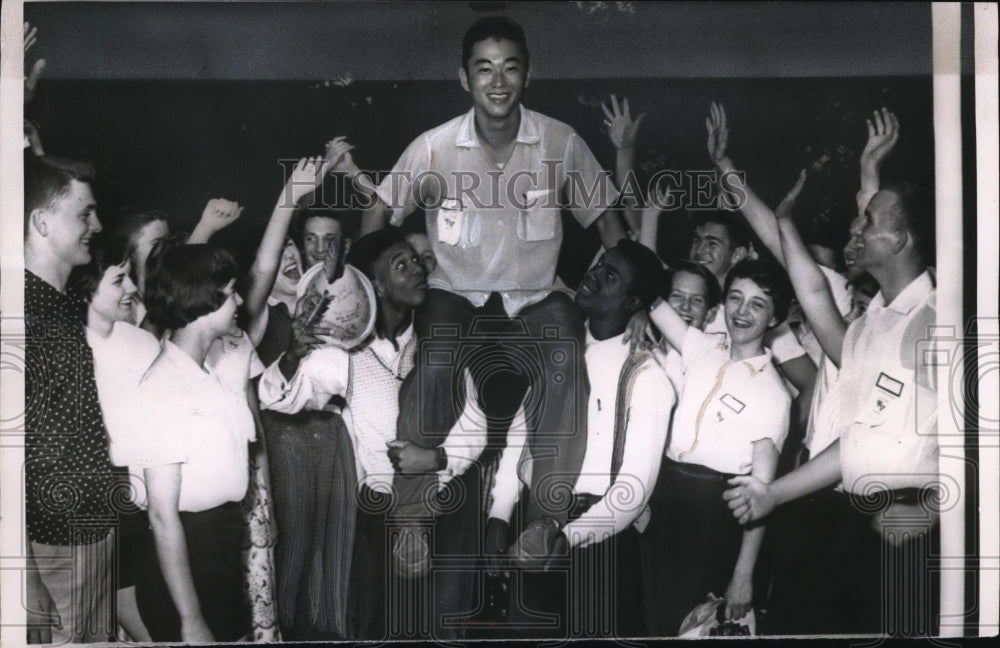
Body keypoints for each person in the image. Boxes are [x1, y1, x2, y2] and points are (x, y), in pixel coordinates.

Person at [361, 15, 627, 572]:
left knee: (564, 353)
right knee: (433, 360)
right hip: (455, 292)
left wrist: (633, 302)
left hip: (534, 296)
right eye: (484, 69)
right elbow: (378, 211)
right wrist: (370, 287)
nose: (497, 81)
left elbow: (609, 225)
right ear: (465, 78)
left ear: (528, 75)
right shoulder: (433, 149)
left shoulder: (560, 142)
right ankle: (411, 519)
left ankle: (543, 520)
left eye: (510, 68)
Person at [724, 116, 940, 637]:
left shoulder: (933, 322)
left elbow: (979, 440)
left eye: (868, 222)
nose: (856, 228)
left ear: (901, 239)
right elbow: (816, 295)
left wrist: (931, 513)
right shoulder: (873, 323)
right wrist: (787, 224)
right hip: (841, 517)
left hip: (897, 529)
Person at [258, 228, 487, 639]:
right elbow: (276, 398)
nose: (418, 269)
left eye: (417, 261)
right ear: (375, 285)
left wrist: (436, 459)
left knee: (439, 633)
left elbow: (476, 422)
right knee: (382, 631)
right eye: (402, 264)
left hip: (443, 513)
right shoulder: (345, 358)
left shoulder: (437, 346)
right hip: (379, 523)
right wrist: (293, 355)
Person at [487, 240, 675, 638]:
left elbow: (634, 489)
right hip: (532, 520)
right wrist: (500, 515)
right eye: (600, 264)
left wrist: (568, 536)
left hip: (597, 539)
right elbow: (520, 440)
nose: (595, 275)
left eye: (612, 275)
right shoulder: (559, 350)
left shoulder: (646, 376)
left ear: (633, 302)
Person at [647, 258, 794, 635]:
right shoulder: (703, 347)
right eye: (735, 298)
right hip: (666, 500)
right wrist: (637, 315)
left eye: (757, 304)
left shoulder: (773, 393)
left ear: (775, 317)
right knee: (650, 615)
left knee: (688, 622)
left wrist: (743, 576)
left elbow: (757, 498)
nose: (741, 312)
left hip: (713, 520)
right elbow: (650, 297)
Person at [124, 243, 261, 642]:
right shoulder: (162, 388)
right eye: (231, 291)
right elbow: (163, 517)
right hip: (185, 568)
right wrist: (191, 619)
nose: (238, 300)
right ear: (204, 299)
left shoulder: (209, 373)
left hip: (219, 550)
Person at [24, 155, 119, 644]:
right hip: (51, 551)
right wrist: (24, 579)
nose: (97, 226)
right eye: (84, 214)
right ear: (41, 221)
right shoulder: (19, 315)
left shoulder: (60, 306)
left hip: (91, 535)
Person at [71, 236, 160, 643]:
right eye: (118, 279)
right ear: (88, 285)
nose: (131, 289)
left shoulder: (143, 343)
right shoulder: (69, 348)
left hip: (152, 489)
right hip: (99, 495)